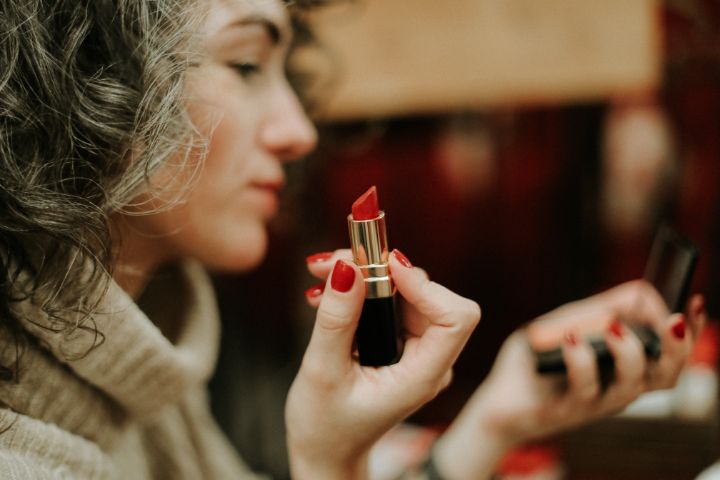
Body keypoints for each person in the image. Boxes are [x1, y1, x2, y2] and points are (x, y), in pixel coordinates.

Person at [0, 0, 706, 479]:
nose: (300, 130)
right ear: (82, 80)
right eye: (245, 65)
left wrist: (498, 415)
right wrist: (328, 463)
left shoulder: (143, 364)